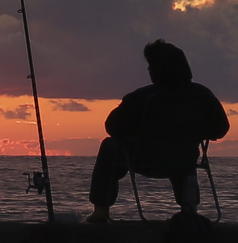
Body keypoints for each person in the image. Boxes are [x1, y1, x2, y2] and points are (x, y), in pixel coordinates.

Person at [85, 39, 230, 223]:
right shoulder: (203, 95)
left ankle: (100, 211)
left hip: (145, 159)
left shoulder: (142, 97)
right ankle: (189, 208)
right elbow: (221, 129)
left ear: (157, 69)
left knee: (109, 146)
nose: (148, 70)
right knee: (184, 157)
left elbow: (112, 127)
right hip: (184, 161)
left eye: (150, 65)